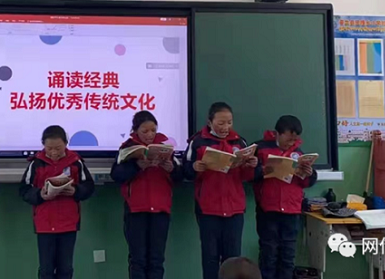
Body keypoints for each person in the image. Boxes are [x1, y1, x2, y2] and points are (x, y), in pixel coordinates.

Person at [183, 102, 258, 279]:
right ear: (210, 122)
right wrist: (194, 167)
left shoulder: (239, 142)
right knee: (210, 258)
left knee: (233, 260)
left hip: (234, 209)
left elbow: (247, 177)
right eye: (221, 123)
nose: (226, 127)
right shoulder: (198, 142)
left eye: (229, 122)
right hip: (208, 209)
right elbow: (185, 171)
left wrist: (252, 165)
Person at [110, 111, 182, 279]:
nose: (150, 135)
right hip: (136, 209)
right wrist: (136, 166)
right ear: (136, 130)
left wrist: (172, 169)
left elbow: (179, 177)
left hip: (160, 209)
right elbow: (116, 175)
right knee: (138, 259)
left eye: (153, 130)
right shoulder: (127, 147)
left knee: (156, 259)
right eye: (145, 131)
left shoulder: (165, 146)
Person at [19, 125, 95, 279]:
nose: (54, 152)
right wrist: (40, 194)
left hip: (68, 223)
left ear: (66, 144)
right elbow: (24, 190)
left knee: (65, 268)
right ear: (43, 145)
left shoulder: (75, 162)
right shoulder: (36, 163)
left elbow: (89, 187)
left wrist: (75, 191)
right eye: (49, 148)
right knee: (46, 269)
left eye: (58, 148)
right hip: (44, 224)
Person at [254, 115, 317, 279]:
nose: (291, 143)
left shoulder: (299, 153)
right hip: (268, 209)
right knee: (269, 255)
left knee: (288, 257)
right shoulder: (261, 149)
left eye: (294, 140)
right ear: (277, 134)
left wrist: (308, 174)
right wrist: (262, 171)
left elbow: (307, 183)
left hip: (292, 210)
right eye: (288, 139)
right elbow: (250, 175)